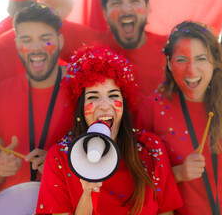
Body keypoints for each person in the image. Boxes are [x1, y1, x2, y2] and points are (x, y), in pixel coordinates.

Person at [137, 21, 222, 214]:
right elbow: (139, 178)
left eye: (201, 58)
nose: (192, 70)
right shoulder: (153, 107)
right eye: (182, 59)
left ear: (214, 62)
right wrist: (178, 173)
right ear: (169, 63)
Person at [35, 45, 182, 215]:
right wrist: (87, 194)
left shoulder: (151, 148)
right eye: (93, 97)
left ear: (124, 104)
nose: (105, 106)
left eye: (113, 95)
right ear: (80, 107)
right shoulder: (60, 158)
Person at [8, 0, 167, 115]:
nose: (125, 9)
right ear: (104, 11)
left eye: (134, 0)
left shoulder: (173, 49)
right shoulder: (88, 45)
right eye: (116, 2)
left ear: (148, 7)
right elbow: (21, 11)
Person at [0, 3, 74, 198]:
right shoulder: (2, 93)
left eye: (45, 39)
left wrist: (59, 160)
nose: (35, 48)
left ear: (60, 41)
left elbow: (108, 153)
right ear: (17, 44)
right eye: (27, 39)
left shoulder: (83, 87)